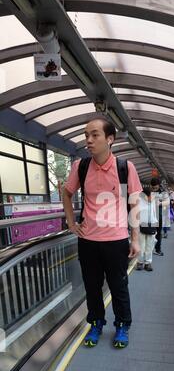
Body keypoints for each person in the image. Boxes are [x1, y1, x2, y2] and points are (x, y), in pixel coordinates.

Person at [63, 116, 142, 349]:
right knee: (92, 286)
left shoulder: (124, 168)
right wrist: (70, 222)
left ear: (110, 139)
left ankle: (122, 326)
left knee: (118, 286)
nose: (89, 140)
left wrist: (135, 238)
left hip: (116, 240)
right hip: (88, 240)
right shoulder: (81, 166)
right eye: (86, 135)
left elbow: (134, 204)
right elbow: (67, 193)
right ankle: (96, 322)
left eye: (95, 135)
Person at [137, 185, 158, 271]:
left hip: (152, 225)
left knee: (150, 245)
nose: (151, 197)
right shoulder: (139, 201)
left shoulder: (153, 201)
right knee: (141, 245)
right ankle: (140, 262)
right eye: (149, 196)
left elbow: (154, 213)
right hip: (141, 225)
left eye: (151, 196)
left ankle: (148, 263)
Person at [150, 177, 169, 256]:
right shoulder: (147, 191)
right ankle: (148, 250)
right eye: (153, 187)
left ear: (159, 185)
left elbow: (167, 201)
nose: (154, 189)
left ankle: (158, 249)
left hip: (158, 216)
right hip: (148, 217)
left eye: (156, 187)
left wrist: (160, 203)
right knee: (148, 234)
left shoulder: (163, 192)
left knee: (158, 234)